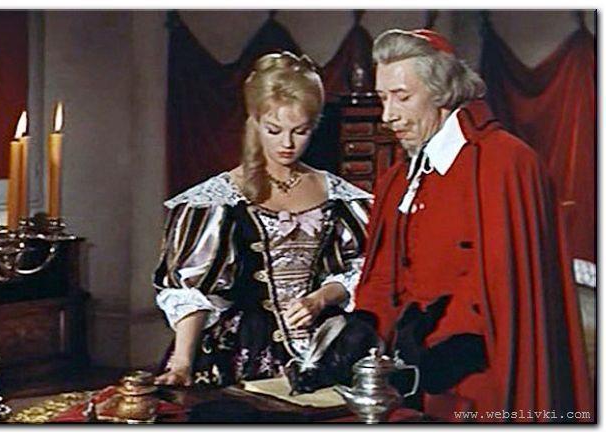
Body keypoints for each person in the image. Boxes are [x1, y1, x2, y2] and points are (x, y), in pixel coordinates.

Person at [356, 29, 593, 421]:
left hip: (484, 381)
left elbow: (507, 291)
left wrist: (451, 350)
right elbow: (387, 274)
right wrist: (364, 323)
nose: (388, 115)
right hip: (409, 384)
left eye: (402, 97)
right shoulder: (398, 179)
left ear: (442, 92)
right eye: (383, 98)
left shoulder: (506, 164)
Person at [153, 52, 378, 390]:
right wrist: (182, 363)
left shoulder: (341, 197)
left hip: (324, 345)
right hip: (244, 349)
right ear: (254, 122)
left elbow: (359, 270)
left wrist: (320, 298)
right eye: (274, 130)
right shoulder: (217, 199)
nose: (287, 143)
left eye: (300, 131)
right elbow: (194, 290)